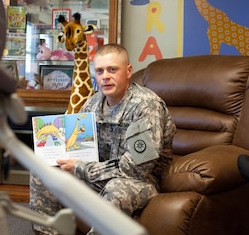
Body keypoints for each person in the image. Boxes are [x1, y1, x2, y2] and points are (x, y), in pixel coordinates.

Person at [29, 44, 177, 235]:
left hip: (139, 181)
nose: (105, 76)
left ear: (128, 71)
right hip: (97, 175)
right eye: (99, 71)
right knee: (42, 170)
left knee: (117, 188)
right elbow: (73, 146)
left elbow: (137, 168)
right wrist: (52, 154)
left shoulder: (145, 106)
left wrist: (81, 168)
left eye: (112, 69)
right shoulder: (92, 103)